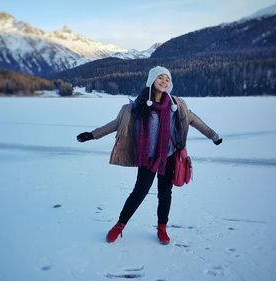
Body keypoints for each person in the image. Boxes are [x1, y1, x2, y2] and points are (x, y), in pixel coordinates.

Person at [77, 66, 222, 245]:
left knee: (165, 193)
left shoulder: (177, 106)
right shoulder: (136, 107)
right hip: (147, 158)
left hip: (169, 157)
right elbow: (116, 124)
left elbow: (195, 121)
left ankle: (162, 228)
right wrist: (92, 134)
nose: (164, 81)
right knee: (139, 192)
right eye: (160, 78)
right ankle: (119, 226)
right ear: (152, 81)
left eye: (167, 79)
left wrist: (213, 135)